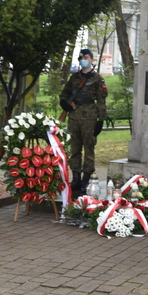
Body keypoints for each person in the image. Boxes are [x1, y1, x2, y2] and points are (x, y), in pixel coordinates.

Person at [60, 48, 106, 194]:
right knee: (74, 148)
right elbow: (64, 94)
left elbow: (101, 100)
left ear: (91, 59)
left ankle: (87, 178)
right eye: (81, 58)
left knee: (89, 148)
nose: (83, 60)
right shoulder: (74, 78)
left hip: (90, 116)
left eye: (86, 57)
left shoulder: (97, 78)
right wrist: (65, 104)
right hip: (74, 116)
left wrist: (100, 120)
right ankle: (76, 178)